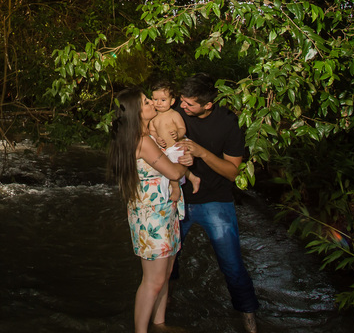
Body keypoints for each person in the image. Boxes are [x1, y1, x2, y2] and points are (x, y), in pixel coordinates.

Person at [173, 73, 260, 333]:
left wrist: (201, 152)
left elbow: (233, 173)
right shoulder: (177, 110)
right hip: (180, 199)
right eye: (181, 101)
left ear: (208, 105)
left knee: (232, 266)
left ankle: (250, 321)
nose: (183, 107)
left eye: (189, 104)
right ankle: (161, 315)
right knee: (167, 262)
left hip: (216, 201)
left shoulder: (229, 123)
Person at [108, 88, 193, 333]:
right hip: (151, 218)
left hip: (165, 212)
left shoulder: (148, 135)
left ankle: (159, 324)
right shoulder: (142, 141)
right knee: (153, 280)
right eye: (146, 102)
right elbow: (175, 172)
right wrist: (186, 163)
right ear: (136, 111)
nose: (152, 103)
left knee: (164, 277)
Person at [149, 80, 201, 198]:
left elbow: (182, 128)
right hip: (166, 149)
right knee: (171, 164)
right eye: (155, 99)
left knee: (173, 166)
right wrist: (157, 138)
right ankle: (193, 178)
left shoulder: (174, 114)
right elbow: (152, 131)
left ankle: (176, 189)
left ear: (172, 101)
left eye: (163, 100)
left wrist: (178, 134)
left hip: (176, 145)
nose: (159, 103)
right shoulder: (153, 117)